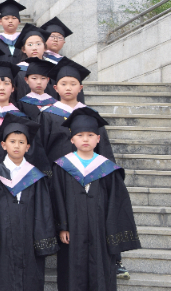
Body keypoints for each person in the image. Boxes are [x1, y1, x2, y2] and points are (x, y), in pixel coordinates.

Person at [52, 108, 140, 291]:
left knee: (101, 274)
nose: (85, 139)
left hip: (100, 231)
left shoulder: (107, 168)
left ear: (98, 139)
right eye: (80, 135)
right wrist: (62, 226)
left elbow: (117, 203)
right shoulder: (61, 166)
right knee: (72, 274)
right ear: (72, 139)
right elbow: (57, 198)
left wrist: (111, 230)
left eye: (90, 135)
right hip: (72, 232)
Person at [0, 115, 59, 291]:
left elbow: (43, 211)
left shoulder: (36, 176)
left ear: (28, 147)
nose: (17, 146)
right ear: (3, 145)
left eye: (21, 142)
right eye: (12, 141)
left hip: (29, 239)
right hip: (1, 239)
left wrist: (41, 240)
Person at [37, 57, 115, 170]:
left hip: (88, 171)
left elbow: (103, 147)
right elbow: (40, 148)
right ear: (55, 88)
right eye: (63, 84)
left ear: (80, 88)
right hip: (57, 173)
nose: (68, 88)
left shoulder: (91, 115)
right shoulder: (47, 115)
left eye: (73, 84)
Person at [12, 24, 54, 101]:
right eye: (30, 44)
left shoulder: (53, 70)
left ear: (45, 47)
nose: (34, 48)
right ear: (23, 49)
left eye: (38, 44)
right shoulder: (17, 71)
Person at [0, 0, 26, 64]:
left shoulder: (24, 39)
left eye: (14, 18)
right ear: (0, 21)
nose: (10, 21)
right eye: (6, 18)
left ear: (19, 21)